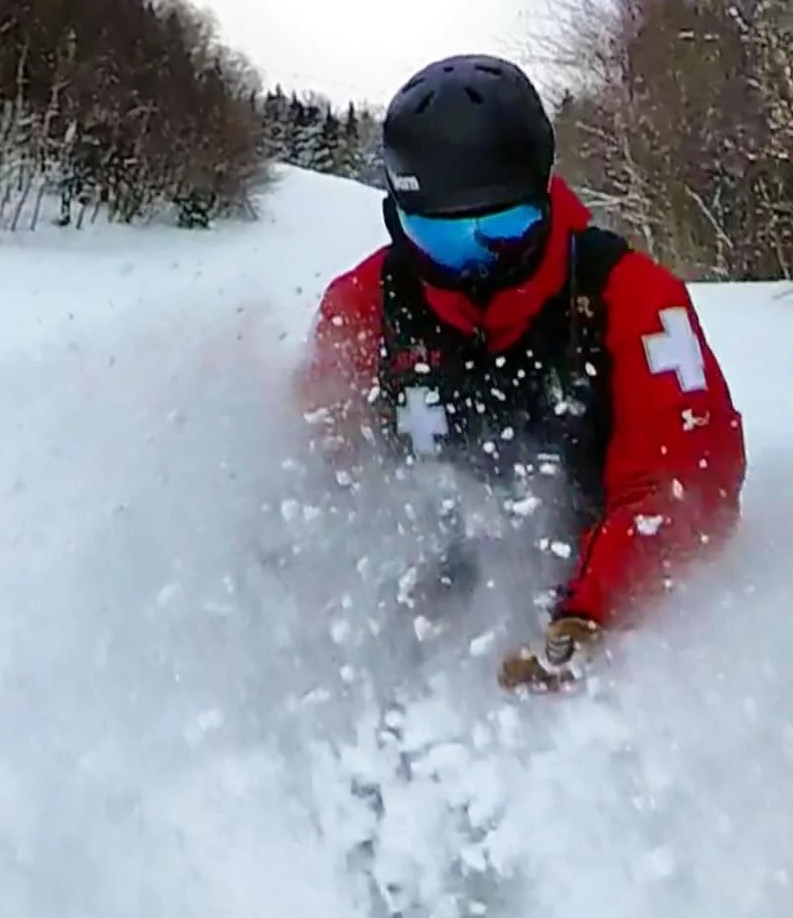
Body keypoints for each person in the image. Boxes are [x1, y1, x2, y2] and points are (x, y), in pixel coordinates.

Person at [297, 53, 746, 693]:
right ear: (398, 219)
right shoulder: (364, 308)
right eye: (445, 240)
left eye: (504, 228)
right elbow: (320, 480)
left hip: (601, 603)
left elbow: (690, 480)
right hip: (421, 617)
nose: (477, 261)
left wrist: (589, 615)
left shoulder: (629, 297)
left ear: (544, 196)